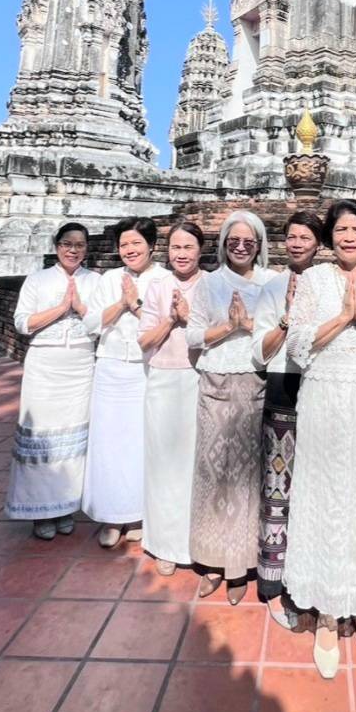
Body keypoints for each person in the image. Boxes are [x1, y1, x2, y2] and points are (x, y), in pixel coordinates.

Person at [283, 199, 356, 678]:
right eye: (341, 230)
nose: (349, 236)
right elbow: (296, 343)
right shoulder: (313, 280)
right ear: (330, 238)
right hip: (324, 398)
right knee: (324, 495)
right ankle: (328, 613)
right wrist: (345, 317)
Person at [186, 210, 274, 604]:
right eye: (233, 240)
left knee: (246, 475)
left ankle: (240, 564)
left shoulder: (273, 283)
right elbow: (193, 334)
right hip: (214, 381)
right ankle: (211, 560)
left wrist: (250, 324)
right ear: (223, 244)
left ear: (259, 245)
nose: (240, 246)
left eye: (248, 241)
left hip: (254, 380)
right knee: (212, 471)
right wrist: (230, 327)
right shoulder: (209, 283)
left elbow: (282, 331)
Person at [251, 210, 324, 625]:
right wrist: (286, 318)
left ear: (318, 243)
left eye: (306, 237)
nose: (297, 243)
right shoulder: (273, 287)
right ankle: (274, 581)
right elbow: (258, 353)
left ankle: (312, 577)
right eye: (291, 237)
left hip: (322, 386)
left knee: (315, 485)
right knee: (277, 485)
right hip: (282, 382)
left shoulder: (330, 282)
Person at [6, 222, 99, 539]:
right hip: (45, 365)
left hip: (81, 365)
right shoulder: (38, 279)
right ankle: (39, 511)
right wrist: (61, 308)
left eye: (80, 245)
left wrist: (80, 307)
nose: (73, 250)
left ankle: (65, 506)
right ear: (57, 246)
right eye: (67, 243)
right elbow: (22, 323)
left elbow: (103, 325)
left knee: (74, 440)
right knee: (42, 438)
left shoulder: (96, 281)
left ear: (87, 249)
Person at [83, 217, 168, 548]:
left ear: (152, 246)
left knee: (140, 443)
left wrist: (135, 305)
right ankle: (111, 516)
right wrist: (121, 302)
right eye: (124, 245)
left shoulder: (164, 278)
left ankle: (138, 514)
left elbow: (164, 324)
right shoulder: (110, 279)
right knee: (109, 445)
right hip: (110, 366)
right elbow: (91, 323)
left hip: (147, 369)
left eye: (136, 243)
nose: (130, 250)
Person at [138, 219, 205, 577]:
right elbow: (144, 340)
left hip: (198, 379)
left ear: (200, 250)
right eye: (176, 247)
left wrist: (190, 318)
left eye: (188, 247)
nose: (181, 254)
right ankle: (164, 544)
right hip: (163, 379)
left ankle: (193, 541)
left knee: (192, 464)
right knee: (163, 464)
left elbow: (215, 334)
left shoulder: (211, 285)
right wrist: (171, 320)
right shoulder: (157, 286)